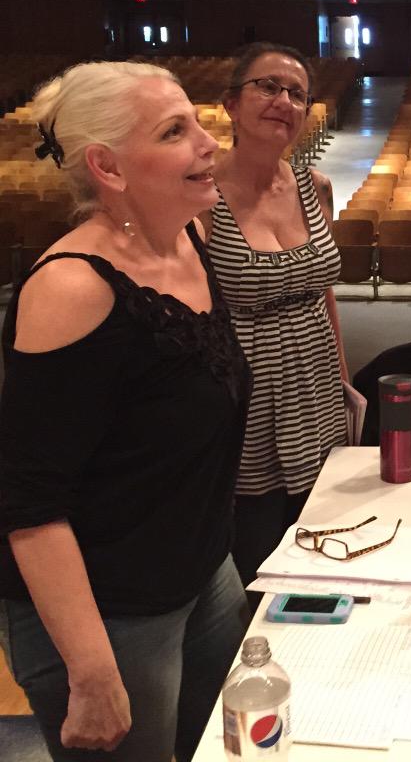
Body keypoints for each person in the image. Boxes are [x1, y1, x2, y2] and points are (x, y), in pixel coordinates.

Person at [0, 62, 252, 761]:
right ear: (107, 167)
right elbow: (27, 500)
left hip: (200, 572)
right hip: (107, 610)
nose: (208, 142)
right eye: (176, 131)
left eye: (198, 121)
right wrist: (90, 668)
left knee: (219, 746)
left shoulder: (188, 243)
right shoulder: (72, 289)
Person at [203, 42, 349, 605]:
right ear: (231, 104)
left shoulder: (316, 187)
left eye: (296, 93)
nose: (283, 101)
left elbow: (323, 291)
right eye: (267, 86)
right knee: (255, 551)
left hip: (314, 386)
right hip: (245, 388)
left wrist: (341, 375)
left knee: (319, 538)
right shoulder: (200, 196)